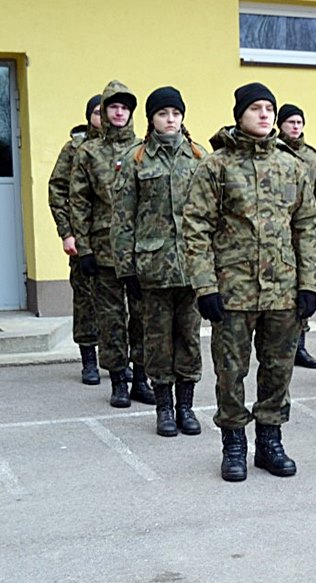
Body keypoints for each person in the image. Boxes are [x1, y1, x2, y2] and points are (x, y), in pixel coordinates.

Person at [182, 82, 316, 482]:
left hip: (282, 290)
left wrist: (309, 283)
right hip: (232, 291)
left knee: (278, 369)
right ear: (239, 114)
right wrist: (205, 287)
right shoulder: (216, 166)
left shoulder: (292, 166)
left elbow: (308, 225)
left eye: (269, 109)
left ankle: (270, 441)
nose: (264, 115)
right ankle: (234, 443)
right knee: (230, 371)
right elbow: (195, 229)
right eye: (256, 108)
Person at [112, 86, 206, 438]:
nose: (171, 120)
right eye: (164, 114)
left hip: (191, 268)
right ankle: (164, 407)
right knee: (157, 341)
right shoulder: (135, 159)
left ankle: (186, 406)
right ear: (151, 119)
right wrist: (126, 268)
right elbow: (122, 219)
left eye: (176, 114)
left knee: (189, 339)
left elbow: (212, 215)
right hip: (152, 269)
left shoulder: (198, 156)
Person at [69, 80, 155, 408]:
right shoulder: (88, 152)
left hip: (139, 251)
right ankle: (118, 380)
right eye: (113, 107)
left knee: (143, 316)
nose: (119, 112)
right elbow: (79, 201)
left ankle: (141, 378)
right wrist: (85, 249)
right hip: (104, 251)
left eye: (125, 107)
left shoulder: (142, 149)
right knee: (111, 317)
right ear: (103, 112)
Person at [48, 94, 102, 386]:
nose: (103, 116)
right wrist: (66, 232)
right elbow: (57, 190)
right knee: (85, 300)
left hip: (115, 241)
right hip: (83, 238)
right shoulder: (74, 148)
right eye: (97, 112)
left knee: (121, 303)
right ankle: (89, 360)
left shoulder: (125, 147)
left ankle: (117, 360)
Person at [278, 103, 316, 371]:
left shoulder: (311, 157)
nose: (296, 127)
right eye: (290, 122)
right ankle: (286, 343)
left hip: (307, 231)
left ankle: (301, 345)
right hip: (283, 232)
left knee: (305, 285)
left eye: (299, 122)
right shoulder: (275, 152)